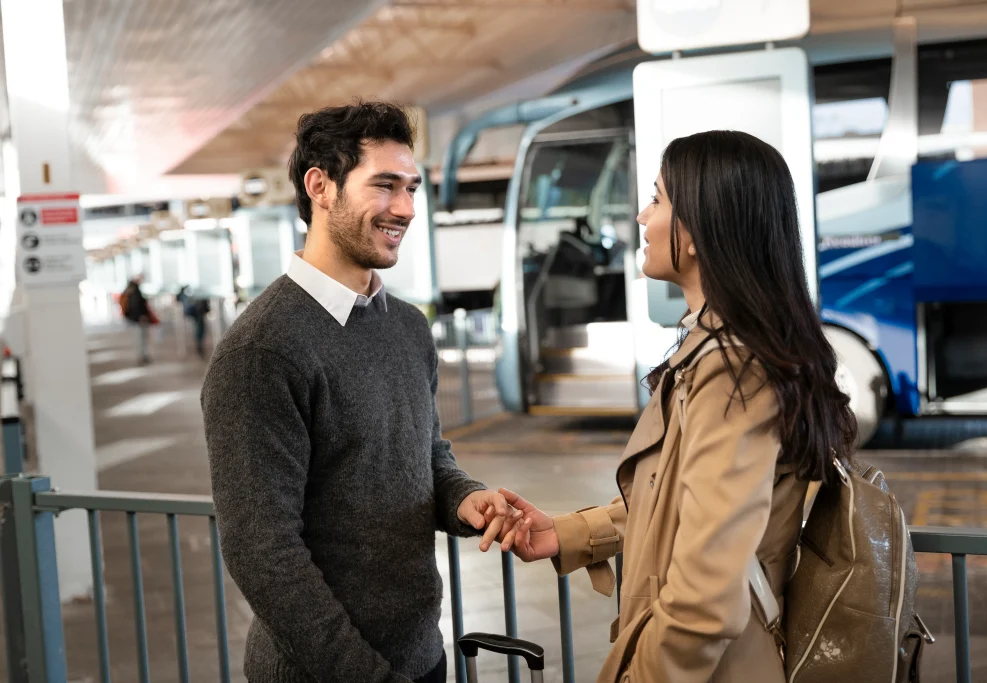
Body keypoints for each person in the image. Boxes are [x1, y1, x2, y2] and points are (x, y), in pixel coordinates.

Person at [494, 131, 858, 683]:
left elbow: (706, 595)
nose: (643, 216)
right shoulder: (724, 353)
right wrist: (568, 533)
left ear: (696, 231)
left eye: (658, 199)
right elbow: (679, 499)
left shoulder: (734, 371)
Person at [200, 102, 518, 683]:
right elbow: (263, 552)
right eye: (385, 186)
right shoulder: (262, 351)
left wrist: (464, 500)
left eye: (412, 188)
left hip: (422, 657)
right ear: (320, 187)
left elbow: (428, 456)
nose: (405, 209)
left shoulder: (406, 326)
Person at [120, 275, 156, 364]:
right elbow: (136, 305)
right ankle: (142, 357)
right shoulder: (135, 290)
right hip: (139, 319)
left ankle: (142, 356)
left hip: (134, 319)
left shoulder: (130, 288)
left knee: (140, 338)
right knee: (141, 338)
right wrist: (140, 316)